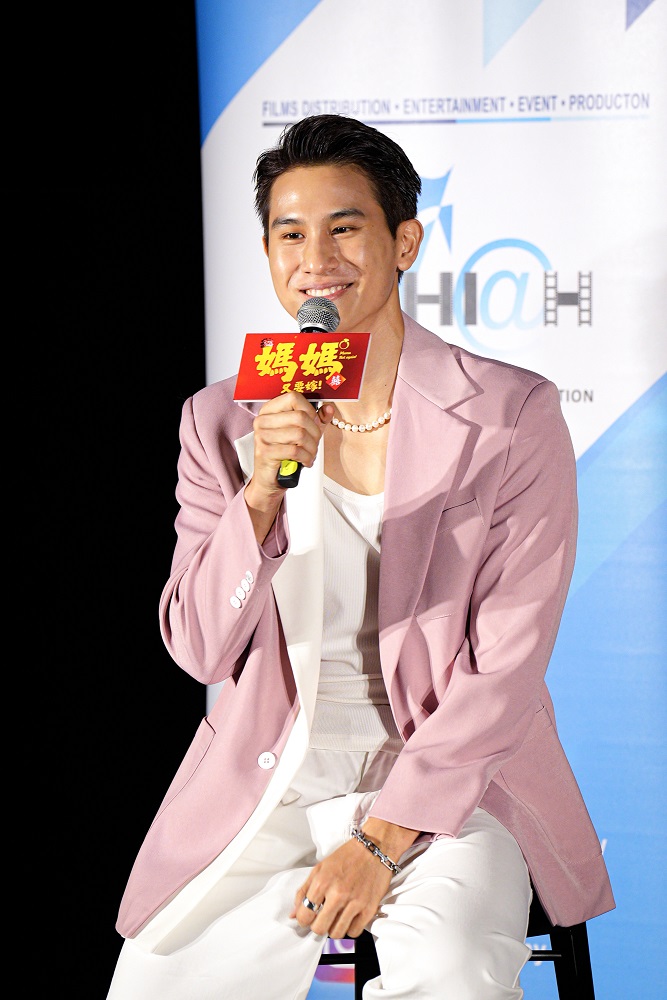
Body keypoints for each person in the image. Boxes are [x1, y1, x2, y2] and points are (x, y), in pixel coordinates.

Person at [107, 114, 614, 999]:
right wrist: (258, 496)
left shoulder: (509, 413)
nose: (316, 260)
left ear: (403, 242)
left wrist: (380, 839)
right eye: (290, 234)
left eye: (344, 228)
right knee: (158, 982)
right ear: (267, 252)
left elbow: (506, 664)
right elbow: (198, 649)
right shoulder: (220, 420)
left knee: (452, 970)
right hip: (270, 778)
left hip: (456, 785)